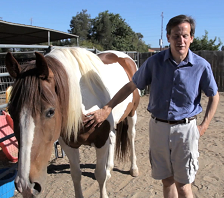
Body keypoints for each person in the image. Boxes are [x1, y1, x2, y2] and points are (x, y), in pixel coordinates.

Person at [84, 14, 219, 198]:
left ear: (191, 38)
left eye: (185, 35)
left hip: (185, 131)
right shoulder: (154, 63)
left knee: (183, 185)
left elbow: (214, 96)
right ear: (169, 37)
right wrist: (108, 107)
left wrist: (203, 126)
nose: (181, 40)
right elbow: (131, 86)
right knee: (167, 181)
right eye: (176, 35)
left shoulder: (201, 66)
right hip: (158, 128)